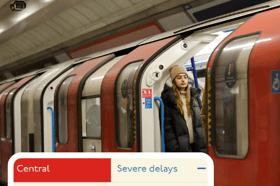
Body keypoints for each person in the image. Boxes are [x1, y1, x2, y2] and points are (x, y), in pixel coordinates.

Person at [161, 65, 206, 152]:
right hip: (181, 147)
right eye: (179, 77)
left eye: (185, 77)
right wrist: (175, 147)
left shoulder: (195, 98)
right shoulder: (169, 100)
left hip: (198, 144)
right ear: (174, 80)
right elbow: (168, 127)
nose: (183, 80)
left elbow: (201, 122)